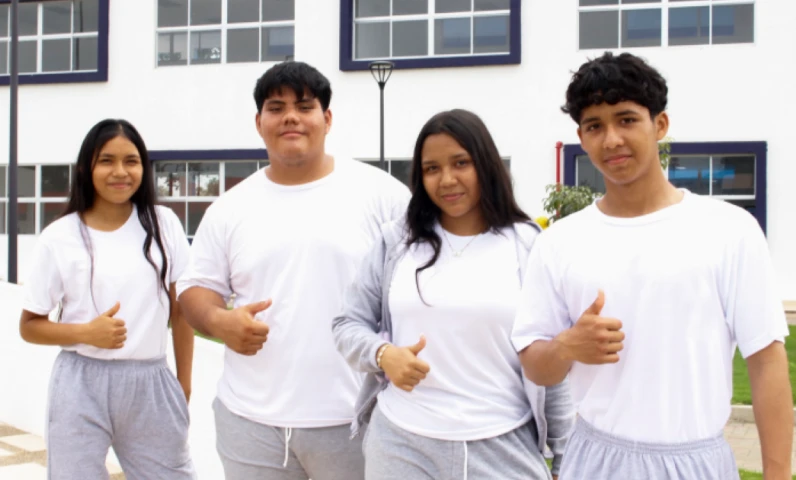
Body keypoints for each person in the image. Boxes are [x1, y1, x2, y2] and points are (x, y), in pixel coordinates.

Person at [512, 52, 794, 480]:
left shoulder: (729, 230)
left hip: (697, 461)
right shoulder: (559, 242)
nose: (611, 140)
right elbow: (535, 365)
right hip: (595, 460)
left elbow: (767, 361)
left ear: (659, 125)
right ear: (582, 138)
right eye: (595, 126)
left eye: (626, 120)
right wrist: (568, 346)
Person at [176, 61, 410, 480]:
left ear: (327, 119)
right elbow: (196, 289)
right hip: (252, 424)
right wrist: (219, 320)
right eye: (276, 106)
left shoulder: (383, 196)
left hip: (356, 418)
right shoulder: (231, 207)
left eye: (304, 106)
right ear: (259, 122)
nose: (290, 116)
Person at [333, 109, 574, 480]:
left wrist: (564, 458)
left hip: (501, 442)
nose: (447, 179)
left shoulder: (528, 245)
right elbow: (348, 323)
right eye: (431, 169)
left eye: (461, 163)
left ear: (485, 165)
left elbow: (552, 360)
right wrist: (383, 354)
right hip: (400, 443)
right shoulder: (397, 241)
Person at [19, 119, 196, 480]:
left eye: (131, 161)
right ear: (87, 167)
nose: (120, 172)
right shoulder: (60, 237)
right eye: (106, 161)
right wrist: (85, 332)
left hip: (152, 380)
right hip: (80, 384)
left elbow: (182, 312)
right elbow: (30, 327)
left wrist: (183, 383)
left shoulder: (163, 225)